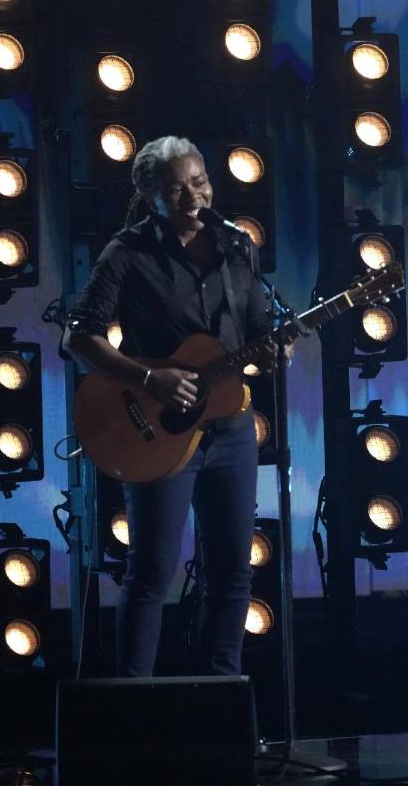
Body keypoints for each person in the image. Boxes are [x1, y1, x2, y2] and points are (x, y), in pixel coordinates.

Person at [64, 136, 277, 676]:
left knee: (232, 572)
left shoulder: (236, 247)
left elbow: (256, 327)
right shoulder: (127, 253)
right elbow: (80, 338)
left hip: (230, 429)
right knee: (152, 573)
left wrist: (275, 347)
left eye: (200, 182)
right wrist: (149, 378)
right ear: (149, 194)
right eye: (177, 188)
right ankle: (134, 709)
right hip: (156, 432)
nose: (193, 197)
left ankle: (221, 701)